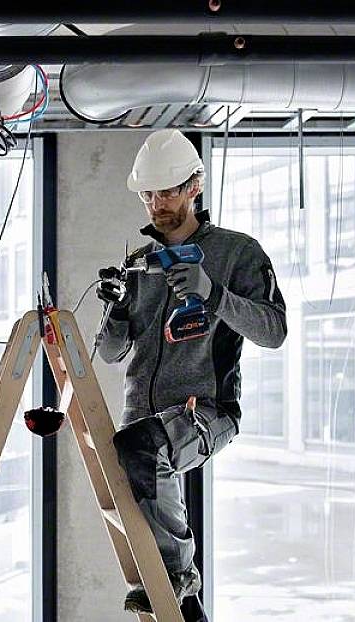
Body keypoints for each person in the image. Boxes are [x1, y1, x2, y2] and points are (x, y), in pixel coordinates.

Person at [95, 129, 288, 615]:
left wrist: (214, 293)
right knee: (138, 449)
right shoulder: (138, 264)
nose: (157, 203)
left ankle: (179, 572)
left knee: (141, 448)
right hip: (142, 419)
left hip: (207, 411)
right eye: (149, 194)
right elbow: (111, 354)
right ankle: (184, 601)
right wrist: (117, 309)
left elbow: (273, 331)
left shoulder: (237, 252)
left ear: (194, 186)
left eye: (167, 191)